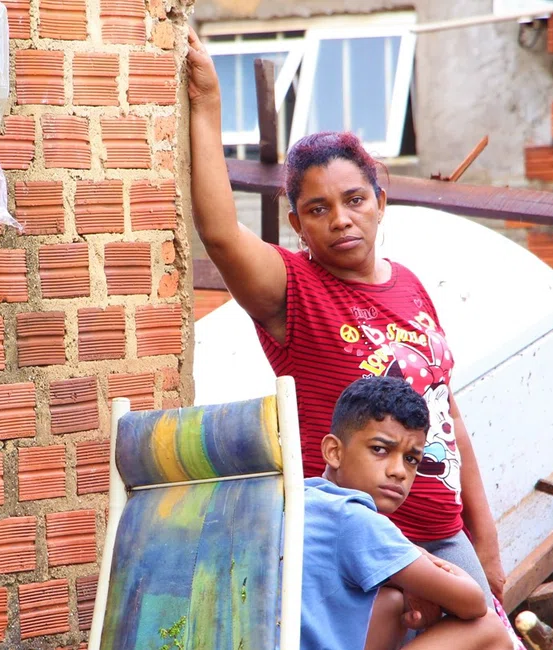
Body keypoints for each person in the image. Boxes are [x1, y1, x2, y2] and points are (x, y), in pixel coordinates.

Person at [184, 29, 507, 606]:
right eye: (318, 209)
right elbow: (219, 234)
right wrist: (208, 102)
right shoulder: (294, 291)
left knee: (489, 635)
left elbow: (447, 415)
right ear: (297, 224)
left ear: (380, 201)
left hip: (442, 534)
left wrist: (484, 542)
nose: (340, 219)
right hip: (361, 546)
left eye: (354, 199)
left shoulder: (410, 287)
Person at [303, 376, 511, 650]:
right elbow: (472, 601)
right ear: (333, 451)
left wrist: (406, 584)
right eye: (380, 449)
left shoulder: (305, 499)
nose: (399, 471)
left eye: (411, 459)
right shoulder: (356, 519)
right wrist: (422, 557)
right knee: (489, 630)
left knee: (391, 604)